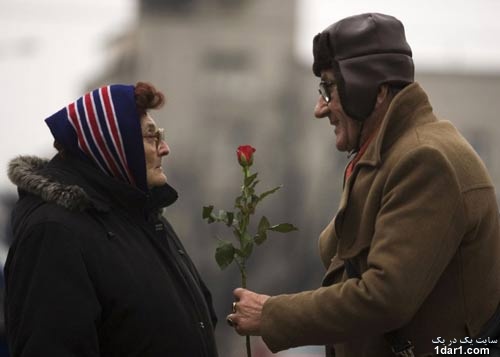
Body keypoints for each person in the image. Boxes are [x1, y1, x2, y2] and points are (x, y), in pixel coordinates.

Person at [226, 13, 500, 357]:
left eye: (329, 88)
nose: (319, 108)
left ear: (376, 91)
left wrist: (272, 315)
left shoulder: (425, 160)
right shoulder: (389, 154)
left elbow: (386, 297)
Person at [5, 82, 219, 356]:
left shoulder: (144, 219)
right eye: (151, 136)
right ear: (112, 144)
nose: (164, 148)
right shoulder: (54, 233)